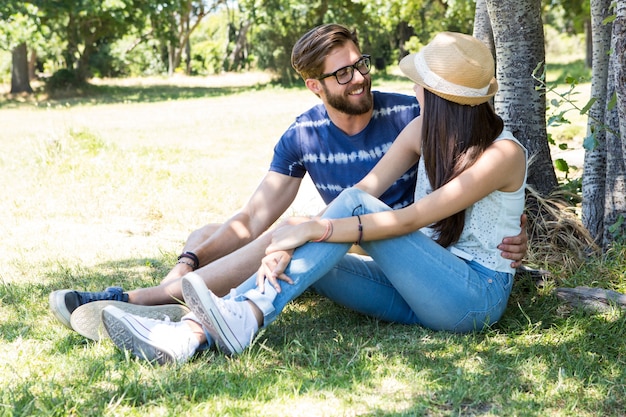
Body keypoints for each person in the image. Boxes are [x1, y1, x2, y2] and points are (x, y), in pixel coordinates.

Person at [52, 24, 527, 348]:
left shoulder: (501, 152)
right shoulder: (418, 129)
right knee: (298, 255)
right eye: (343, 72)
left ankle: (238, 317)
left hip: (469, 298)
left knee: (318, 228)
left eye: (422, 82)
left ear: (439, 97)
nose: (411, 87)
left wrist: (309, 231)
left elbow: (409, 217)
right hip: (416, 284)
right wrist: (288, 238)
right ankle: (191, 333)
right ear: (314, 85)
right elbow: (353, 193)